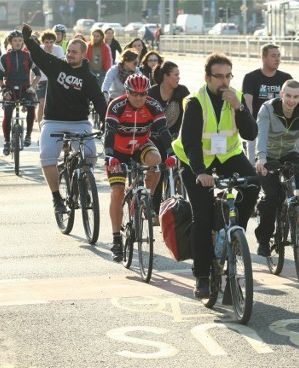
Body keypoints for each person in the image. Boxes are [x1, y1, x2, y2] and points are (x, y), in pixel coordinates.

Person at [171, 52, 259, 299]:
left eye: (228, 76)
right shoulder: (195, 101)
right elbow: (190, 142)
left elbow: (251, 134)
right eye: (218, 77)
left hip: (228, 155)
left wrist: (239, 107)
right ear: (207, 77)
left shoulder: (236, 97)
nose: (224, 82)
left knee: (252, 185)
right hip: (196, 160)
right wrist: (200, 172)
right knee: (202, 215)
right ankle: (201, 275)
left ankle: (233, 236)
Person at [20, 23, 107, 215]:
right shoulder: (56, 66)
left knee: (91, 156)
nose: (70, 55)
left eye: (75, 52)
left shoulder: (89, 78)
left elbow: (100, 102)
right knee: (47, 157)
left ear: (84, 54)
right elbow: (38, 54)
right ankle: (57, 198)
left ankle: (84, 183)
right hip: (53, 121)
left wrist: (109, 122)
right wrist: (28, 40)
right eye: (69, 51)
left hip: (80, 123)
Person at [254, 80, 299, 256]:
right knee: (270, 196)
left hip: (288, 153)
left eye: (296, 97)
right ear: (281, 94)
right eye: (288, 95)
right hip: (269, 155)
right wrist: (261, 157)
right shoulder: (268, 109)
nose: (291, 100)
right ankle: (263, 240)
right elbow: (261, 134)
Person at [104, 74, 173, 262]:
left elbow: (163, 130)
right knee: (117, 191)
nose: (140, 98)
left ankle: (147, 198)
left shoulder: (152, 105)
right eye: (135, 94)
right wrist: (109, 155)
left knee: (156, 159)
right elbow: (109, 132)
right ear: (127, 92)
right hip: (118, 151)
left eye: (143, 94)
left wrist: (171, 153)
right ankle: (116, 239)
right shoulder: (117, 105)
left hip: (140, 145)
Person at [242, 44, 299, 166]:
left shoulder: (286, 77)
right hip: (259, 127)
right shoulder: (251, 77)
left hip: (282, 128)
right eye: (273, 56)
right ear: (263, 57)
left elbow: (296, 102)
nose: (277, 59)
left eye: (279, 56)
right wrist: (249, 123)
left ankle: (295, 175)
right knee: (252, 159)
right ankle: (255, 179)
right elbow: (248, 102)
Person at [147, 61, 191, 214]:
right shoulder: (151, 93)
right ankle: (154, 207)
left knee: (185, 168)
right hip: (155, 137)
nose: (179, 78)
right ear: (166, 76)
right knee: (158, 169)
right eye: (176, 75)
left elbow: (191, 113)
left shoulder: (182, 92)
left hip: (176, 138)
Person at [0, 30, 41, 155]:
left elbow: (38, 74)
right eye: (15, 41)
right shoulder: (4, 58)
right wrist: (4, 89)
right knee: (8, 114)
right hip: (9, 89)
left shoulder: (28, 56)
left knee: (32, 107)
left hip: (25, 89)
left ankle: (28, 135)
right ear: (10, 42)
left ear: (23, 42)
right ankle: (6, 142)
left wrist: (33, 87)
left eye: (20, 41)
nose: (18, 43)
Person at [36, 29, 65, 124]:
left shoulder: (58, 49)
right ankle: (41, 128)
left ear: (54, 41)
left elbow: (61, 64)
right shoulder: (39, 49)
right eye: (46, 42)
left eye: (51, 42)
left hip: (56, 80)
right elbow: (33, 69)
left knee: (57, 104)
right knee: (41, 103)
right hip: (42, 79)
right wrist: (32, 84)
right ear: (43, 42)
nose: (49, 45)